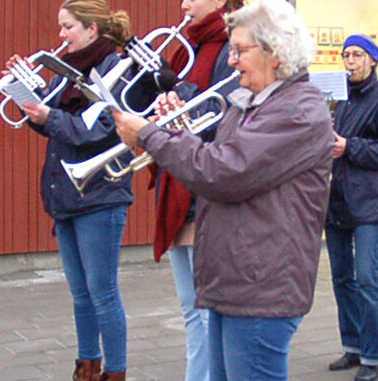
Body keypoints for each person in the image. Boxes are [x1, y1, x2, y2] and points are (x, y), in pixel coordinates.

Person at [114, 1, 333, 379]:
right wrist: (177, 129)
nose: (230, 61)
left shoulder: (295, 110)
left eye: (240, 51)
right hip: (235, 281)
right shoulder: (251, 103)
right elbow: (220, 157)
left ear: (275, 54)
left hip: (260, 286)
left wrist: (150, 135)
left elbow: (222, 172)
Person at [7, 1, 135, 379]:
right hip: (66, 193)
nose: (60, 36)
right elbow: (53, 124)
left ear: (92, 30)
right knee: (81, 295)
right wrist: (23, 89)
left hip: (100, 194)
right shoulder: (67, 72)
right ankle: (86, 367)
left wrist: (51, 117)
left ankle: (115, 372)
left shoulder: (115, 69)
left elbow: (94, 131)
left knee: (103, 294)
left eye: (68, 27)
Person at [147, 1, 243, 380]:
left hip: (204, 196)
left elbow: (225, 122)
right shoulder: (187, 47)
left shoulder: (231, 46)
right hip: (178, 187)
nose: (184, 3)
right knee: (191, 310)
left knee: (208, 313)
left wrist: (179, 104)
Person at [323, 34, 378, 381]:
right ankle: (354, 346)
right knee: (342, 278)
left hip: (369, 202)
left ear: (373, 59)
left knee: (367, 278)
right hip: (337, 199)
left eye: (357, 54)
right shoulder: (339, 100)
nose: (350, 61)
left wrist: (349, 147)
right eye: (346, 55)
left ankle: (375, 354)